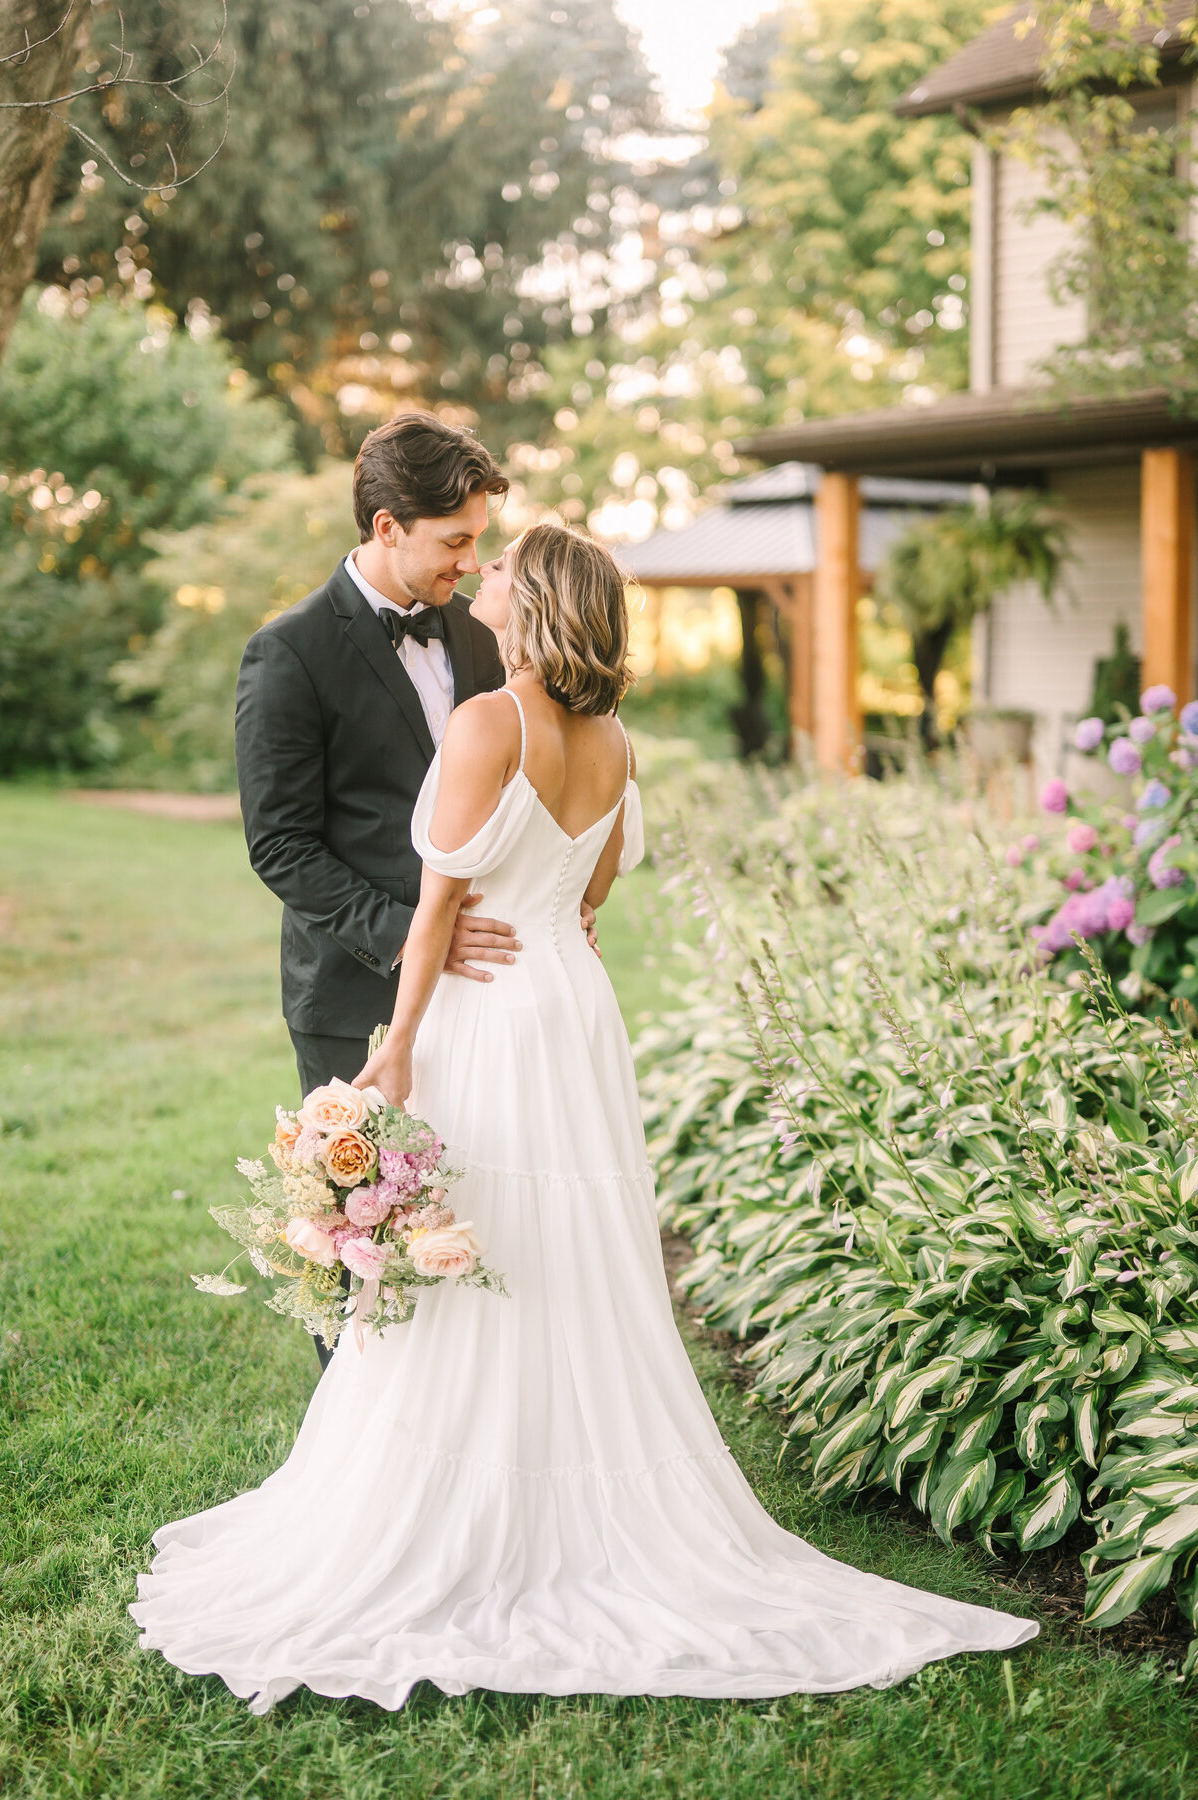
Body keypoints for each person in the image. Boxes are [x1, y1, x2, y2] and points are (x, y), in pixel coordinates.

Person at [131, 521, 1036, 1712]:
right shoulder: (611, 739)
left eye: (503, 567)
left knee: (481, 1243)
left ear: (535, 603)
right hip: (571, 1006)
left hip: (484, 1009)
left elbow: (439, 910)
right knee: (561, 1249)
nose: (484, 578)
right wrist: (546, 917)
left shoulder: (485, 724)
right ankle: (570, 1499)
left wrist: (395, 1046)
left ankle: (459, 1516)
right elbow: (593, 893)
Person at [233, 413, 593, 1368]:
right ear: (387, 525)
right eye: (456, 542)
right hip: (355, 990)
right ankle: (350, 1462)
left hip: (487, 1002)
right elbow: (281, 848)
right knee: (360, 1237)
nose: (474, 566)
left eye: (480, 542)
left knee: (464, 1221)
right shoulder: (289, 654)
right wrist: (411, 935)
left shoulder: (480, 640)